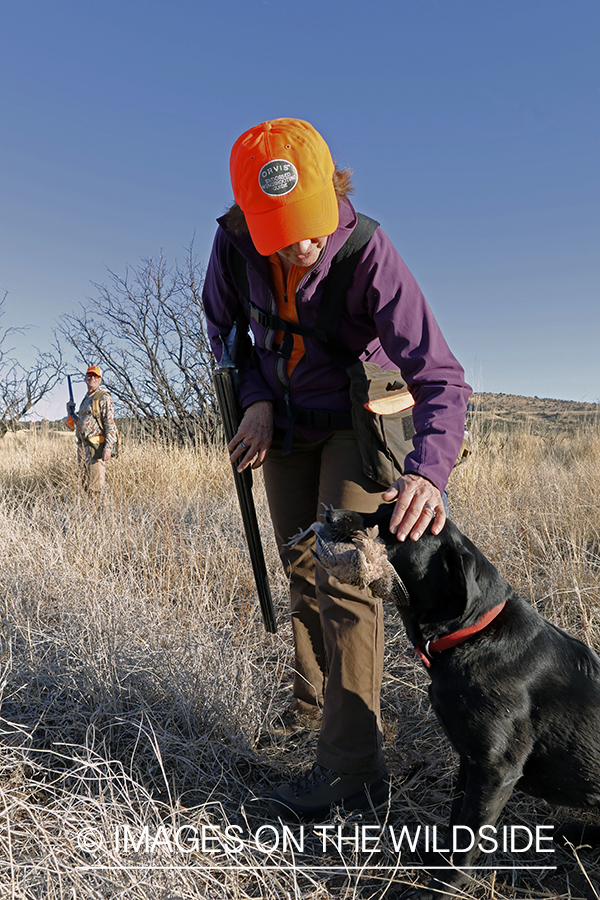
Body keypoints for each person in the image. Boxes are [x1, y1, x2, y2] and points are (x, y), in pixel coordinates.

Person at [202, 118, 472, 820]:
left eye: (310, 223)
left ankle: (353, 768)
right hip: (283, 426)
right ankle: (313, 708)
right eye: (281, 230)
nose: (300, 244)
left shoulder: (369, 251)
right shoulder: (232, 247)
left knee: (345, 573)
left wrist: (427, 473)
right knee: (300, 565)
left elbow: (442, 377)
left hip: (357, 424)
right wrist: (255, 400)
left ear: (334, 191)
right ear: (248, 217)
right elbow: (224, 333)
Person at [67, 365, 117, 495]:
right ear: (85, 378)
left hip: (95, 448)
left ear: (100, 380)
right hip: (82, 447)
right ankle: (91, 514)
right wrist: (71, 412)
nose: (92, 378)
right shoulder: (86, 399)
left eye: (95, 376)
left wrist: (108, 448)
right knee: (85, 486)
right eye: (89, 375)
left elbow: (110, 424)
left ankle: (102, 514)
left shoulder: (103, 397)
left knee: (97, 488)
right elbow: (81, 423)